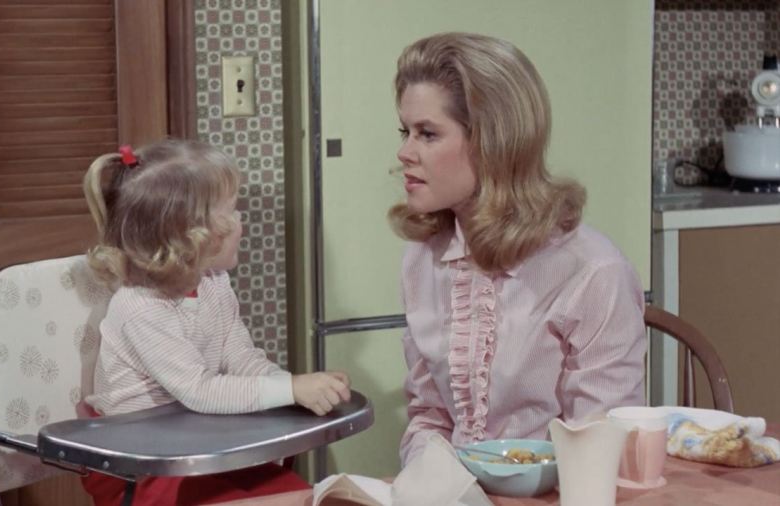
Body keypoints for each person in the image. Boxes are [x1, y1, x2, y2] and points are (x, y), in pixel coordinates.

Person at [389, 33, 646, 466]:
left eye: (427, 134)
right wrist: (428, 484)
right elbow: (431, 418)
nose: (404, 152)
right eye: (405, 131)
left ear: (493, 142)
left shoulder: (593, 271)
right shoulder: (422, 261)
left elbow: (601, 448)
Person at [80, 139, 351, 505]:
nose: (241, 221)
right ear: (189, 237)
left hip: (202, 449)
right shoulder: (140, 308)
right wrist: (290, 390)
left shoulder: (213, 283)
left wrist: (292, 390)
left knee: (314, 496)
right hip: (147, 471)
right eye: (232, 211)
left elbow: (240, 357)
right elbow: (200, 390)